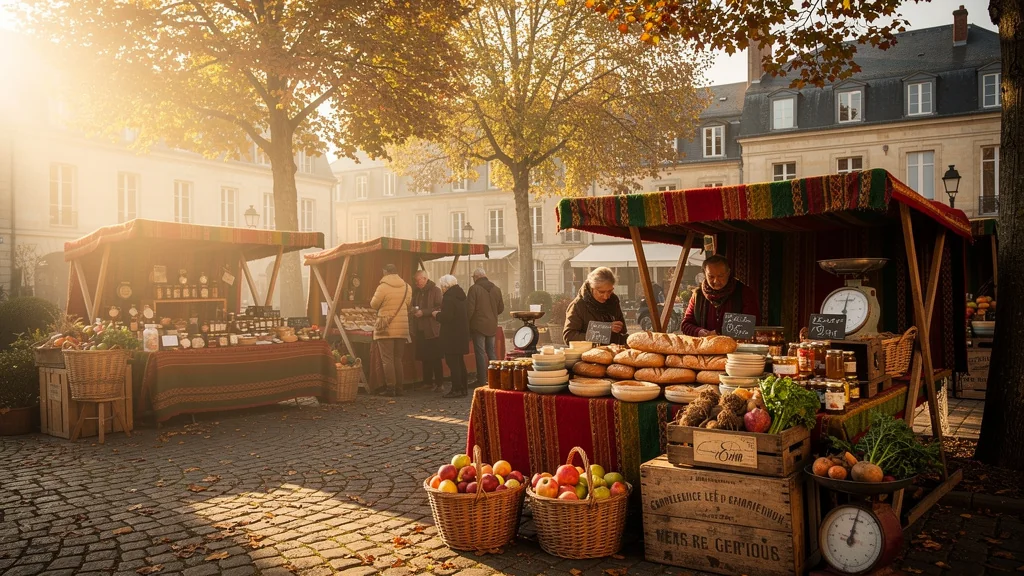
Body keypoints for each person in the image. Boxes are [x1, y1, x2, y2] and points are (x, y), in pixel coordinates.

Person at [680, 254, 759, 337]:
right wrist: (699, 332)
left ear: (728, 273)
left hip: (736, 348)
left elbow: (751, 323)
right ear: (705, 274)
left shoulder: (744, 293)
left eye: (720, 276)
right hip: (704, 346)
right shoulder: (698, 295)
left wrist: (720, 332)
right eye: (711, 276)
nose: (716, 281)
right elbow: (686, 324)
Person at [370, 263, 412, 396]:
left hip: (386, 328)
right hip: (402, 328)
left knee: (387, 359)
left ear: (385, 272)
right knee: (398, 359)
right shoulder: (407, 287)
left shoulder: (382, 287)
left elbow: (374, 304)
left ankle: (390, 388)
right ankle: (400, 388)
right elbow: (408, 304)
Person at [563, 267, 627, 345]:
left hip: (613, 353)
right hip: (588, 354)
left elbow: (622, 332)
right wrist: (605, 330)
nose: (606, 296)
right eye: (601, 292)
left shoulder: (613, 300)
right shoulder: (578, 305)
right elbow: (569, 337)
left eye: (610, 291)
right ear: (591, 288)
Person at [434, 274, 470, 398]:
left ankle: (456, 389)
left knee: (453, 363)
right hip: (461, 334)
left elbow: (447, 317)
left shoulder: (448, 298)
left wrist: (436, 315)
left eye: (442, 287)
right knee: (460, 362)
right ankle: (463, 388)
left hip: (451, 336)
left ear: (446, 286)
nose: (442, 289)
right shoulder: (461, 296)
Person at [466, 267, 504, 386]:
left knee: (480, 353)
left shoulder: (474, 289)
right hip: (492, 325)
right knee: (491, 352)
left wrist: (467, 323)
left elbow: (469, 310)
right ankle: (496, 378)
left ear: (476, 277)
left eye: (473, 277)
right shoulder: (496, 289)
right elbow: (501, 308)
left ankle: (481, 380)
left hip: (478, 326)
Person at [410, 270, 443, 391]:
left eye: (418, 280)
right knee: (424, 357)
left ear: (425, 279)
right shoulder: (417, 292)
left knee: (435, 357)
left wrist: (423, 312)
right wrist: (413, 310)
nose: (416, 282)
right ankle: (427, 382)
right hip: (420, 329)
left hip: (432, 329)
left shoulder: (436, 291)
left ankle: (439, 383)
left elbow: (439, 307)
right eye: (415, 280)